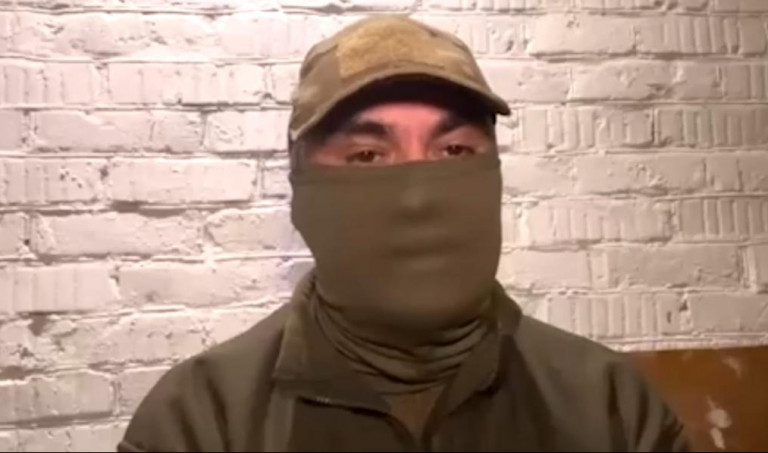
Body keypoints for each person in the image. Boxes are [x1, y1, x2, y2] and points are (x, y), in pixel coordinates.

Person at [118, 15, 690, 452]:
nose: (418, 196)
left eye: (454, 151)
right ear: (302, 189)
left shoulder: (610, 409)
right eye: (368, 155)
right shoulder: (201, 423)